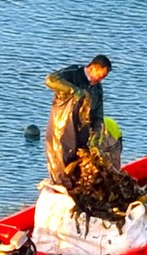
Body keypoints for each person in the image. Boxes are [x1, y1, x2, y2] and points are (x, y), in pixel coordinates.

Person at [45, 54, 112, 188]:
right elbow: (50, 80)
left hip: (82, 134)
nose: (101, 80)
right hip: (61, 130)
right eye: (100, 76)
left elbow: (98, 116)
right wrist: (74, 91)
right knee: (61, 168)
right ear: (92, 68)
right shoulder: (74, 74)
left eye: (104, 77)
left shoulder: (97, 88)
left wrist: (96, 138)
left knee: (79, 170)